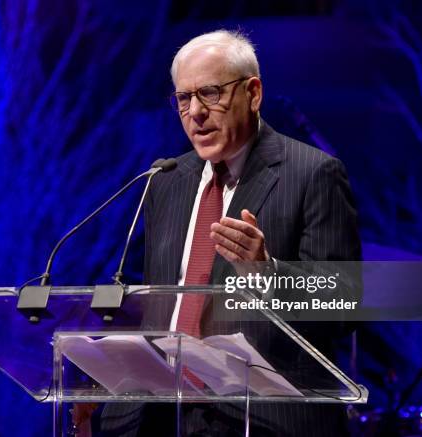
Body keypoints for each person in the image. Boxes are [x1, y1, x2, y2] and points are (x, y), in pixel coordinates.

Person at [99, 29, 361, 437]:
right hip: (164, 418)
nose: (195, 112)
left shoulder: (313, 174)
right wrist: (106, 381)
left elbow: (343, 305)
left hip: (265, 421)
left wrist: (266, 272)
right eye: (184, 99)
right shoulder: (166, 180)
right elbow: (156, 306)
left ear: (253, 93)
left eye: (210, 93)